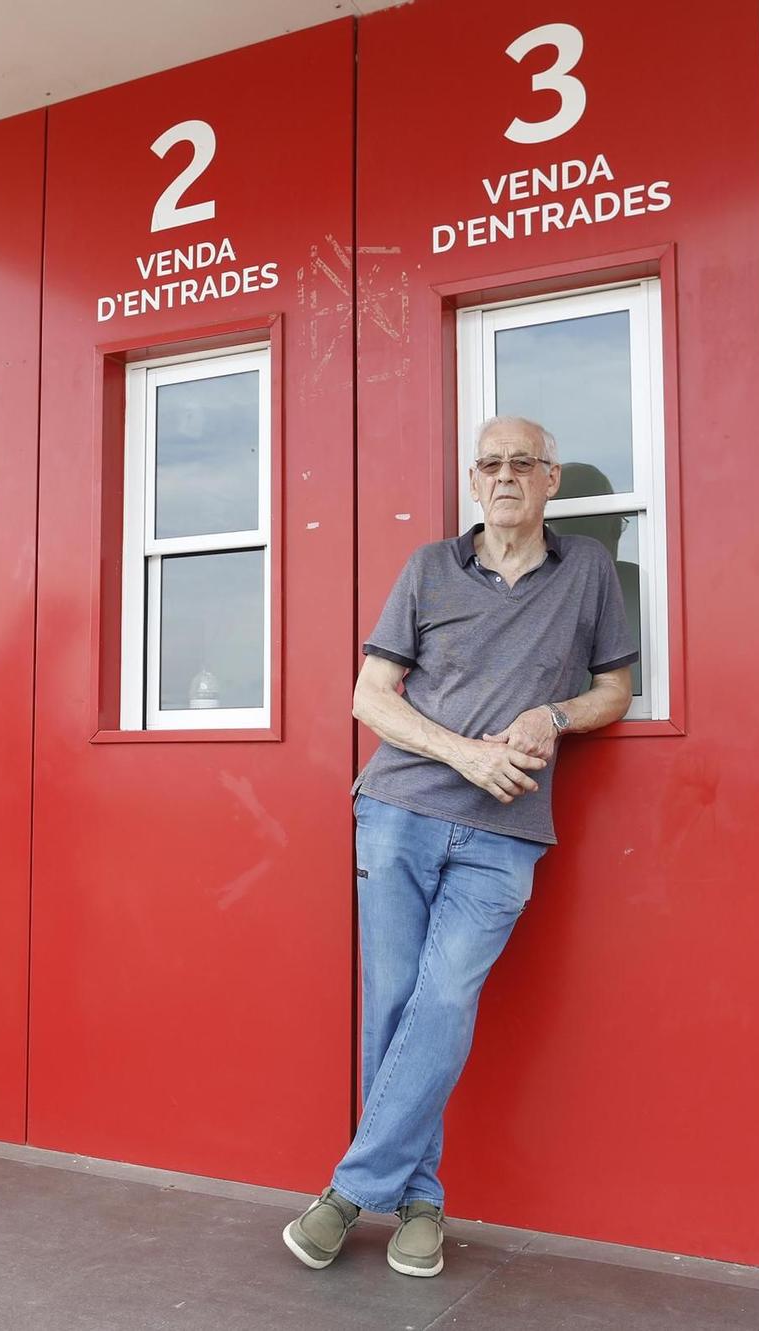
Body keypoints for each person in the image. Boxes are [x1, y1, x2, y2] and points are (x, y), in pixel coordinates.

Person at [283, 416, 636, 1278]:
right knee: (395, 1005)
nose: (507, 475)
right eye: (492, 464)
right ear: (474, 483)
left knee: (440, 1000)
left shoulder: (588, 569)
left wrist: (554, 715)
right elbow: (370, 698)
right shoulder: (428, 569)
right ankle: (421, 1204)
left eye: (524, 462)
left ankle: (347, 1191)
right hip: (399, 809)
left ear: (551, 481)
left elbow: (615, 690)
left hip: (506, 833)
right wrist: (467, 753)